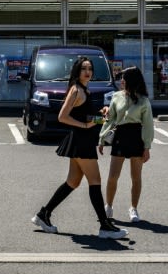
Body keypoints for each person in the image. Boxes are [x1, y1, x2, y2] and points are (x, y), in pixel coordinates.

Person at [31, 57, 128, 239]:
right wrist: (83, 126)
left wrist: (101, 113)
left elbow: (84, 115)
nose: (87, 71)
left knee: (73, 182)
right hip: (80, 141)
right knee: (95, 180)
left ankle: (43, 214)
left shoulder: (84, 89)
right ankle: (105, 226)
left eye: (90, 68)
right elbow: (62, 116)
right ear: (77, 71)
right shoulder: (76, 90)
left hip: (82, 140)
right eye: (83, 68)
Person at [98, 66, 154, 223]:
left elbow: (148, 125)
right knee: (112, 176)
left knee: (136, 177)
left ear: (132, 80)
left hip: (137, 138)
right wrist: (102, 138)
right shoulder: (116, 96)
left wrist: (147, 147)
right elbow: (110, 119)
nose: (121, 80)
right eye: (121, 77)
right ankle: (108, 206)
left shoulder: (143, 100)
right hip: (120, 137)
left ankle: (133, 208)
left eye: (124, 78)